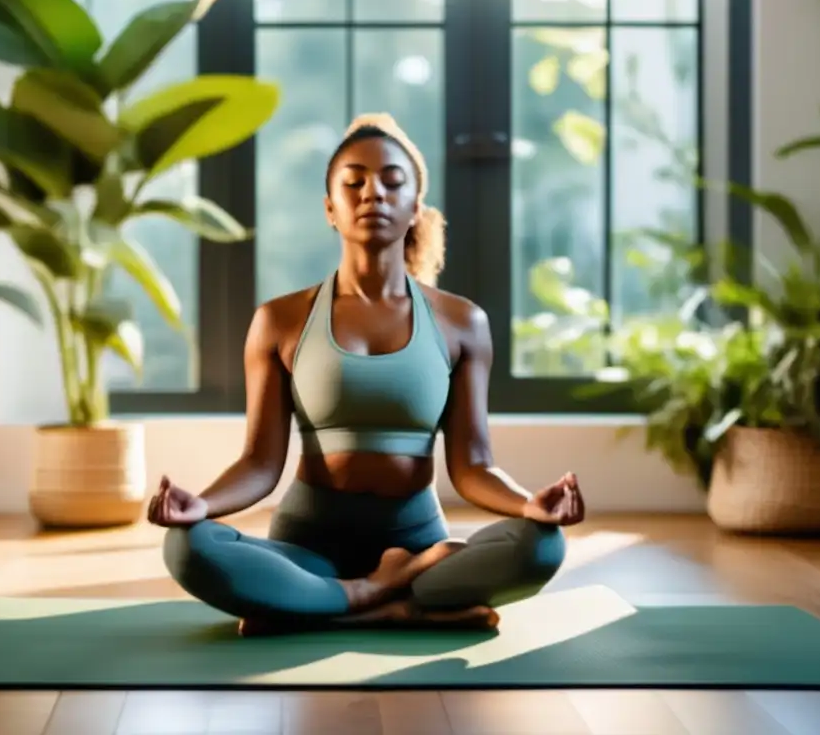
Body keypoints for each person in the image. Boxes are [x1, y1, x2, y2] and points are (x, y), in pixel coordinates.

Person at [148, 113, 586, 637]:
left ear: (414, 208)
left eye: (392, 183)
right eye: (353, 183)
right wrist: (201, 504)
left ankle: (316, 608)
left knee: (542, 544)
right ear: (331, 209)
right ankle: (387, 599)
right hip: (307, 548)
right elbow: (260, 463)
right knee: (188, 546)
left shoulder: (462, 323)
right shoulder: (279, 320)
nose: (373, 193)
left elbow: (472, 466)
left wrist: (528, 503)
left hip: (419, 544)